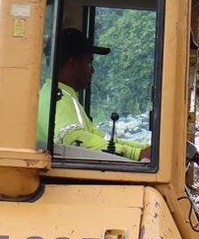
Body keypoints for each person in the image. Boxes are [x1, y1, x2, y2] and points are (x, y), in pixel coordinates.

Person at [39, 27, 148, 159]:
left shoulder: (60, 95)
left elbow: (106, 141)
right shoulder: (58, 99)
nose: (93, 71)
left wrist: (144, 149)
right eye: (89, 63)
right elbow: (73, 139)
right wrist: (135, 154)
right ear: (72, 63)